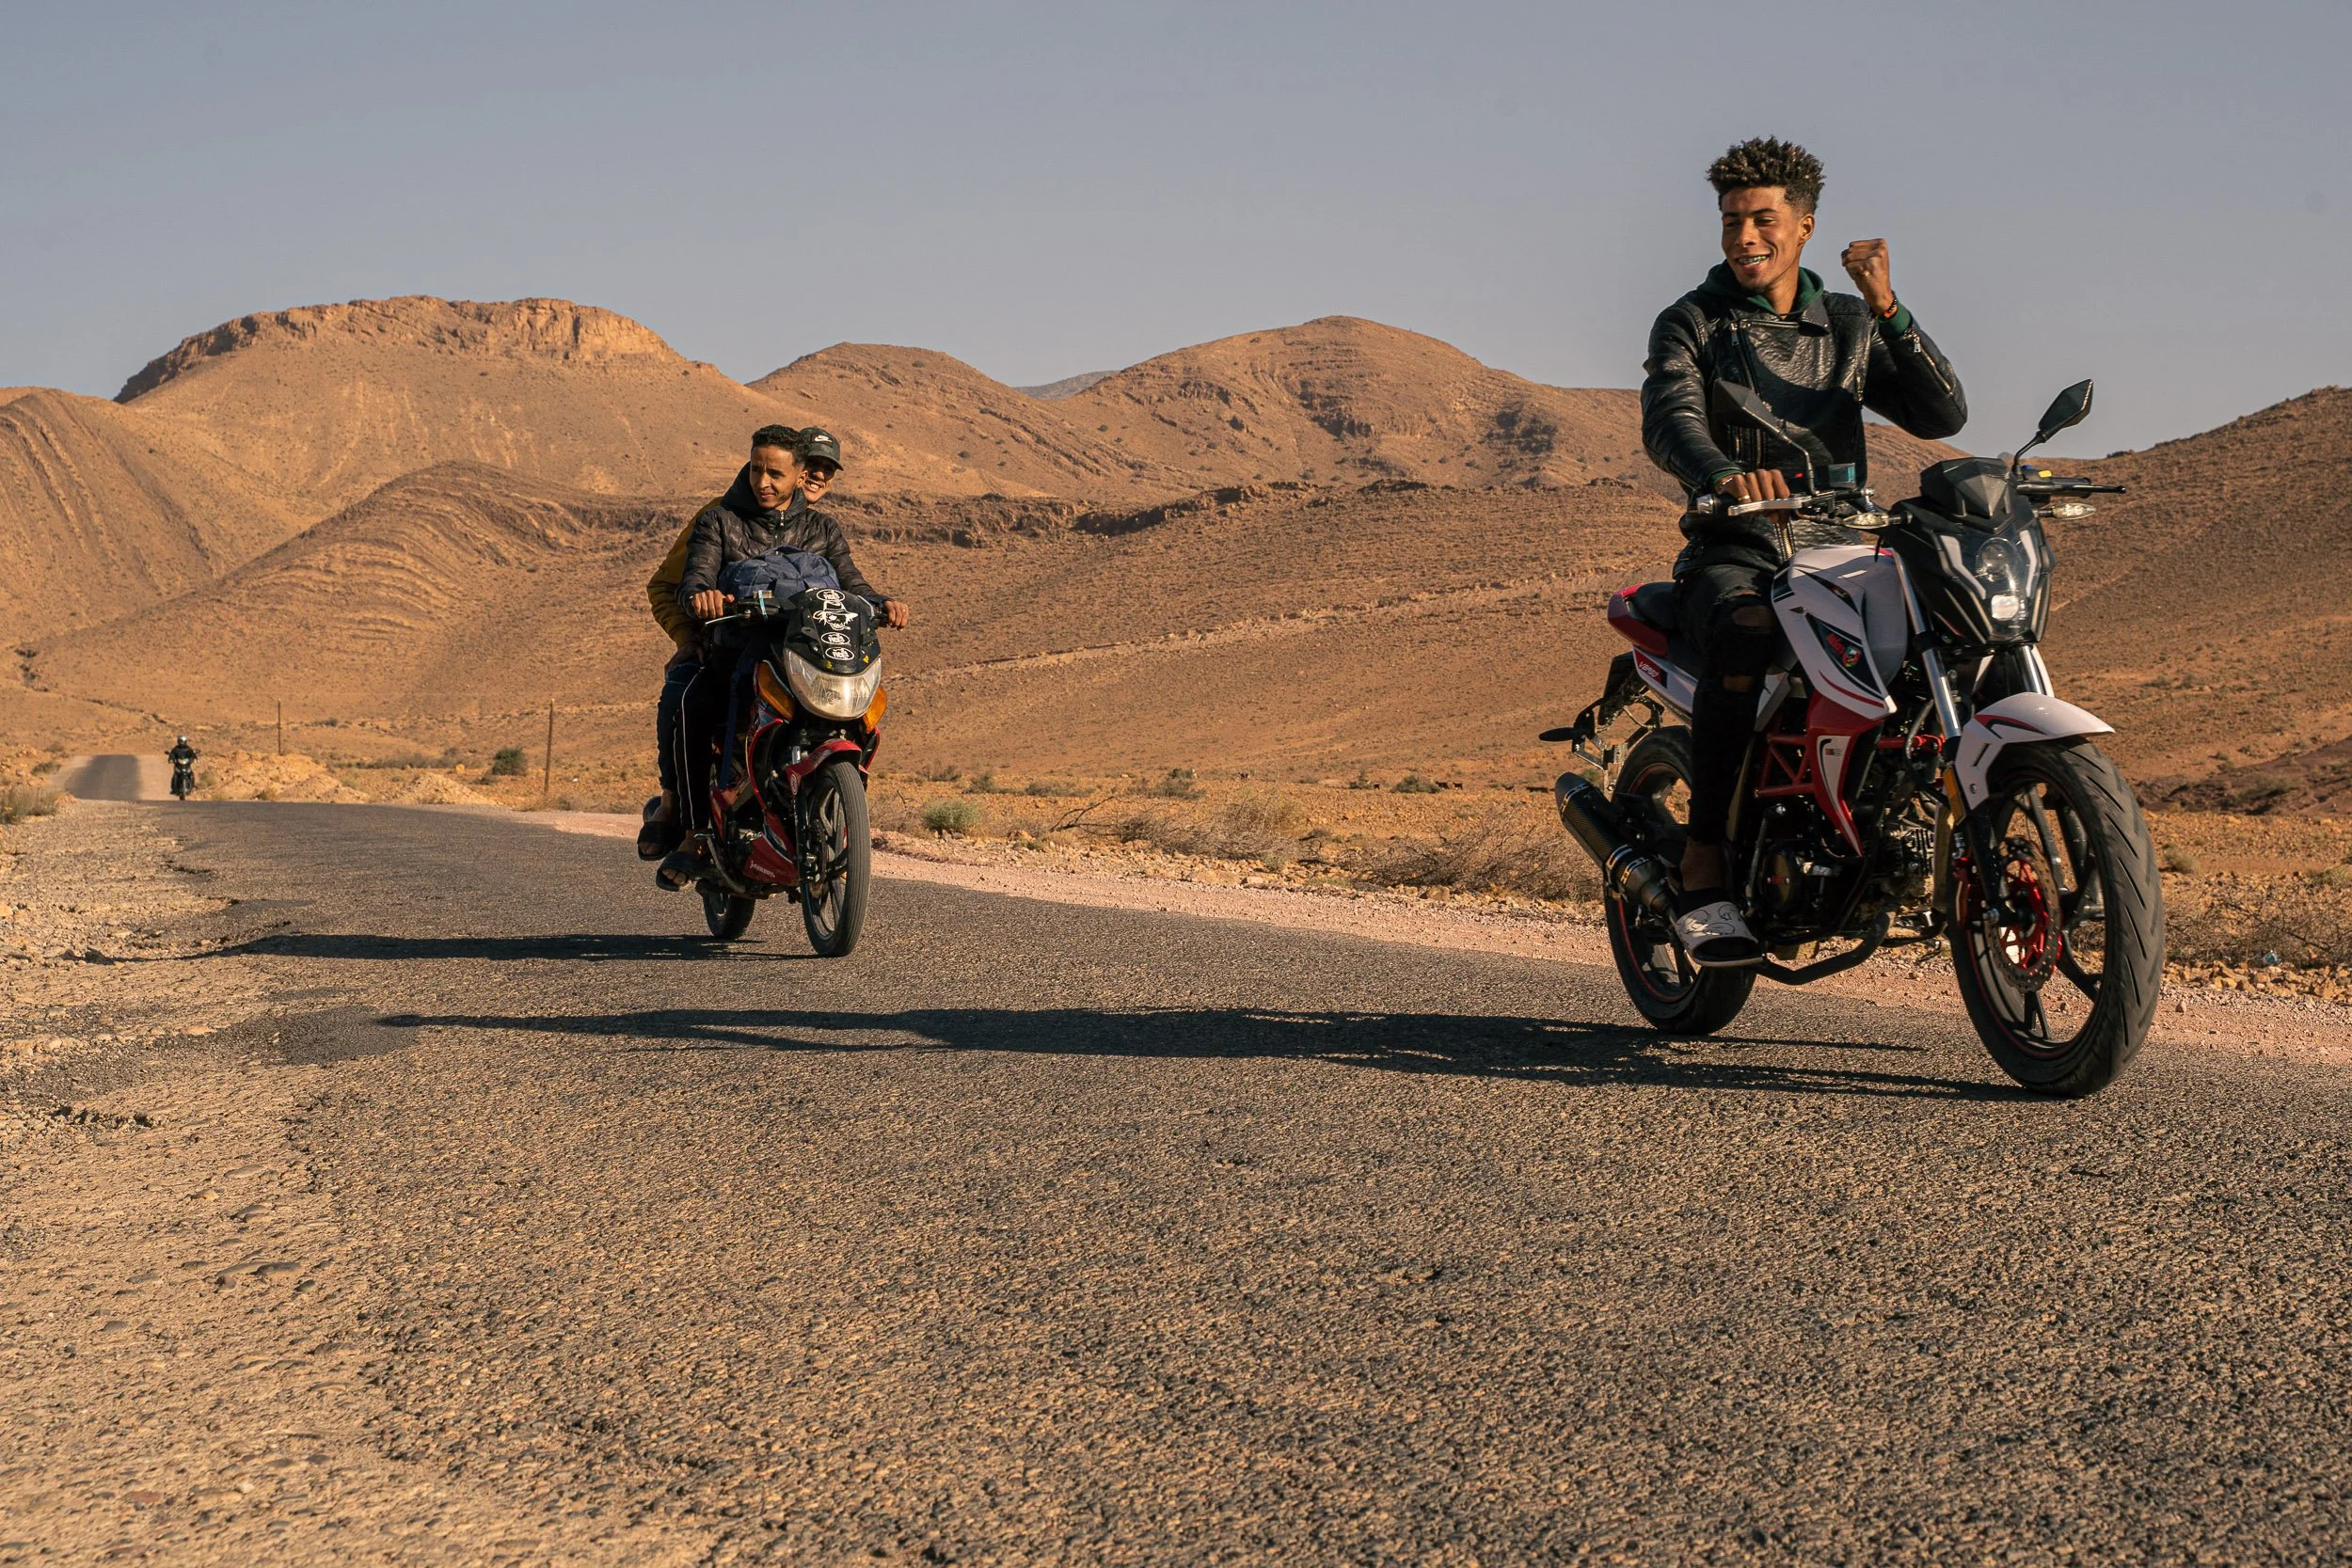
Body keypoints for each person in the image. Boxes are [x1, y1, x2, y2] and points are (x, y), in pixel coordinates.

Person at [1640, 136, 1966, 966]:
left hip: (1841, 546)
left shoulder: (1850, 322)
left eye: (1762, 219)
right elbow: (1669, 416)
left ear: (1806, 226)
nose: (1744, 237)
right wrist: (1722, 473)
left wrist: (1889, 305)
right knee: (1747, 630)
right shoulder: (1693, 321)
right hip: (1737, 545)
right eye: (1730, 222)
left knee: (1949, 640)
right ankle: (1706, 859)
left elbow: (1941, 416)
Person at [657, 425, 910, 889]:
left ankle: (824, 804)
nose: (763, 482)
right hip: (739, 648)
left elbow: (853, 584)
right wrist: (703, 596)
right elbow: (694, 576)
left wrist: (883, 603)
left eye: (775, 473)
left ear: (799, 476)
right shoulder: (720, 521)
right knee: (693, 705)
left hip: (805, 652)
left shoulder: (822, 528)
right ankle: (692, 831)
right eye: (756, 470)